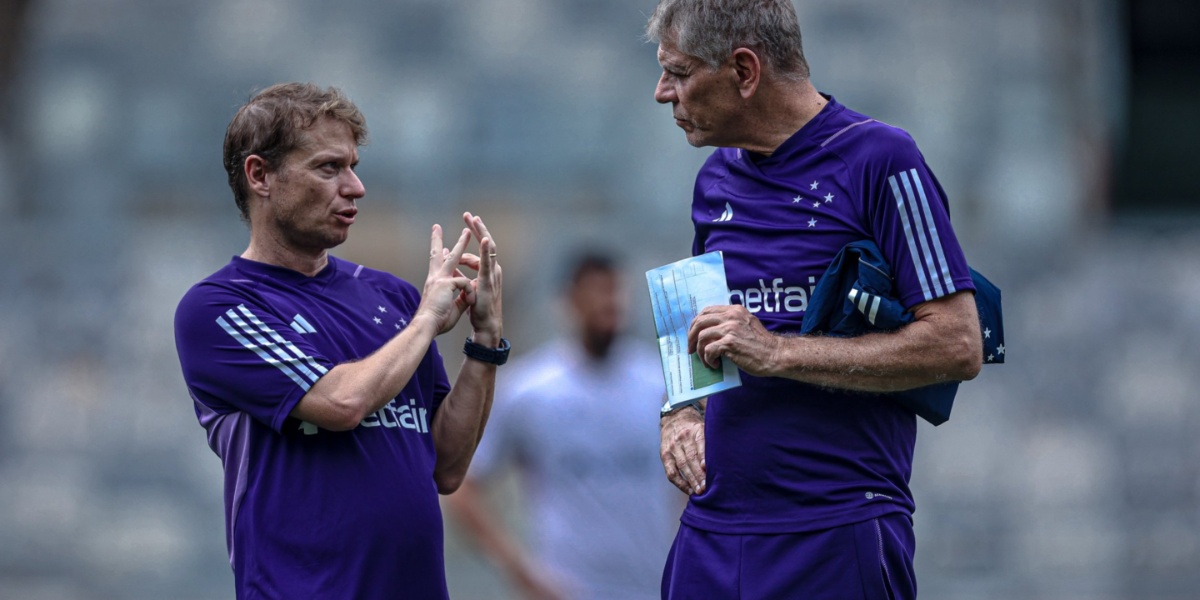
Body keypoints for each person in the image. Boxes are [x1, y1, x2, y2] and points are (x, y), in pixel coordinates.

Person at [646, 2, 983, 599]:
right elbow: (697, 331)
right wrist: (680, 413)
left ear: (744, 72)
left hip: (836, 526)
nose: (662, 92)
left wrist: (777, 352)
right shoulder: (714, 179)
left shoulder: (882, 160)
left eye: (678, 72)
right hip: (713, 529)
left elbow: (958, 344)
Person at [173, 82, 508, 600]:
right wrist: (425, 322)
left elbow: (446, 466)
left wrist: (484, 343)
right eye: (329, 168)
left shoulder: (391, 296)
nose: (355, 187)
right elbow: (341, 401)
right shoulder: (220, 308)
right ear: (260, 175)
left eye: (353, 166)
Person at [446, 251, 677, 600]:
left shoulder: (659, 385)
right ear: (569, 302)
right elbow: (463, 488)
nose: (608, 304)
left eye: (614, 291)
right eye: (596, 292)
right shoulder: (531, 390)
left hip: (656, 588)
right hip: (569, 592)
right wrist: (521, 571)